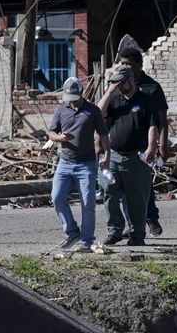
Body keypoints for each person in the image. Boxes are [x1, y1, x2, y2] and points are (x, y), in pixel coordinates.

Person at [47, 76, 110, 252]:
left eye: (75, 98)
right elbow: (51, 133)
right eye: (69, 99)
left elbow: (103, 135)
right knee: (57, 197)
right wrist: (60, 138)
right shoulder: (61, 110)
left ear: (82, 93)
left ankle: (87, 241)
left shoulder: (93, 111)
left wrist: (107, 155)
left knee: (87, 203)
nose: (72, 102)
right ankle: (72, 232)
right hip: (65, 162)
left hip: (87, 164)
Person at [98, 64, 159, 246]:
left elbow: (153, 126)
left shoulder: (145, 99)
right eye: (116, 82)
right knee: (109, 191)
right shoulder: (115, 99)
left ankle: (137, 235)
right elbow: (99, 113)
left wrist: (151, 148)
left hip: (137, 156)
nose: (119, 85)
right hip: (114, 155)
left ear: (131, 80)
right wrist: (110, 91)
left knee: (137, 199)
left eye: (122, 82)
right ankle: (114, 231)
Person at [116, 36, 168, 237]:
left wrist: (161, 146)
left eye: (128, 64)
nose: (125, 67)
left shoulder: (151, 88)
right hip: (121, 147)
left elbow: (162, 120)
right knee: (123, 190)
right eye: (122, 63)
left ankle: (151, 219)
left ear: (139, 64)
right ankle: (133, 225)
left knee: (143, 187)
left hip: (144, 146)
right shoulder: (118, 88)